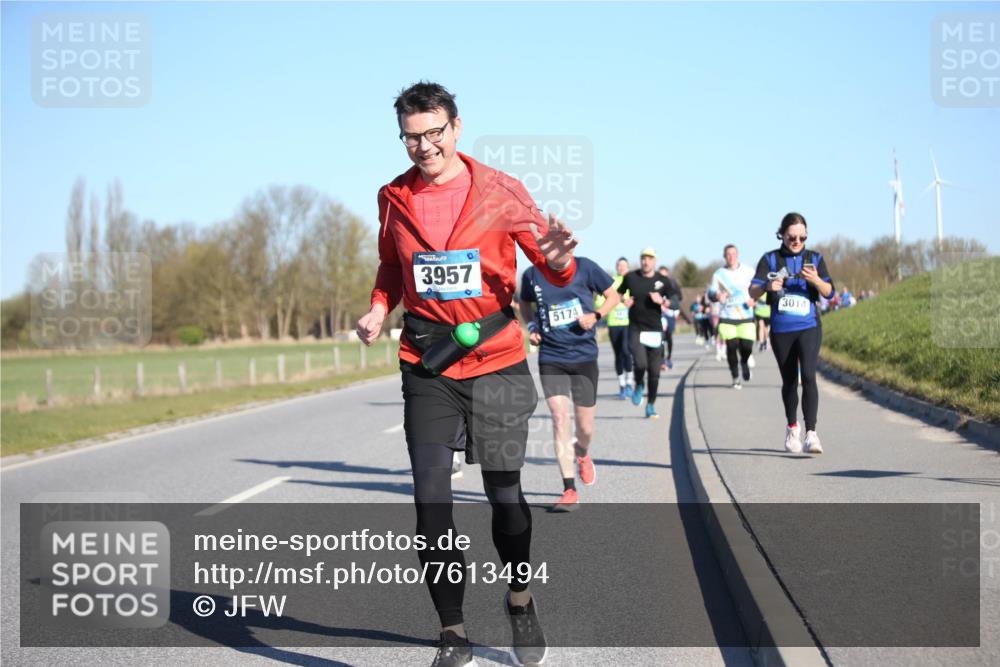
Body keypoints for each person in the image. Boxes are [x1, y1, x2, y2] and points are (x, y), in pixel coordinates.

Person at [356, 81, 578, 667]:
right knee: (431, 503)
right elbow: (390, 267)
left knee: (505, 496)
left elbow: (554, 270)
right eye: (411, 137)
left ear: (456, 128)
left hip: (497, 360)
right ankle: (453, 634)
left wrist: (559, 259)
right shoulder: (392, 197)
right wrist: (380, 308)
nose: (424, 147)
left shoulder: (502, 191)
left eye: (434, 133)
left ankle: (521, 600)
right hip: (427, 363)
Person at [520, 256, 619, 512]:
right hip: (551, 357)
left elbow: (613, 296)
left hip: (584, 356)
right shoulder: (532, 274)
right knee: (560, 417)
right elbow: (524, 302)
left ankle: (582, 452)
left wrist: (596, 315)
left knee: (585, 426)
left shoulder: (586, 268)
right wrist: (532, 325)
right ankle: (569, 489)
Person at [749, 212, 834, 455]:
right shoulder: (771, 259)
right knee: (789, 380)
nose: (797, 242)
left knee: (808, 375)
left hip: (808, 326)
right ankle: (792, 427)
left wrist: (816, 280)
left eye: (802, 237)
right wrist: (767, 286)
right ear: (782, 235)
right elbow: (752, 291)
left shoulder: (814, 258)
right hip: (781, 329)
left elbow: (829, 292)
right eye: (792, 237)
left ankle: (812, 434)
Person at [617, 248, 677, 419]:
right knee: (641, 364)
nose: (646, 261)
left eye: (649, 258)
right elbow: (617, 294)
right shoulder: (631, 277)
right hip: (636, 327)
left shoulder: (663, 281)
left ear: (654, 261)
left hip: (655, 329)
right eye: (643, 258)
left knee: (654, 372)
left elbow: (675, 302)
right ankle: (638, 386)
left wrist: (663, 301)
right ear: (640, 260)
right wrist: (624, 300)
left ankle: (650, 405)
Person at [708, 245, 757, 389]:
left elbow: (760, 288)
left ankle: (745, 361)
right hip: (727, 316)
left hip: (746, 315)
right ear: (724, 256)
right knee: (732, 347)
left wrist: (754, 299)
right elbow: (711, 294)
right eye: (728, 254)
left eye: (733, 254)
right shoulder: (719, 274)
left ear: (738, 255)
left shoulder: (748, 271)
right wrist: (717, 295)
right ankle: (735, 376)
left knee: (747, 347)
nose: (731, 257)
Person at [595, 257, 634, 399]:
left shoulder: (633, 280)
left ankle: (630, 382)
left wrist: (632, 302)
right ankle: (622, 385)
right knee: (618, 354)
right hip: (613, 323)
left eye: (624, 265)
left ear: (628, 267)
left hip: (629, 323)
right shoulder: (612, 281)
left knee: (626, 351)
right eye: (619, 265)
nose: (621, 268)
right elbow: (600, 300)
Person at [657, 266, 683, 371]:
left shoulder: (672, 284)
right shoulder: (655, 284)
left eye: (664, 275)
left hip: (670, 313)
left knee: (669, 336)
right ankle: (662, 361)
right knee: (661, 337)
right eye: (660, 274)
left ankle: (669, 356)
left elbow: (679, 298)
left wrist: (670, 303)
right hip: (660, 314)